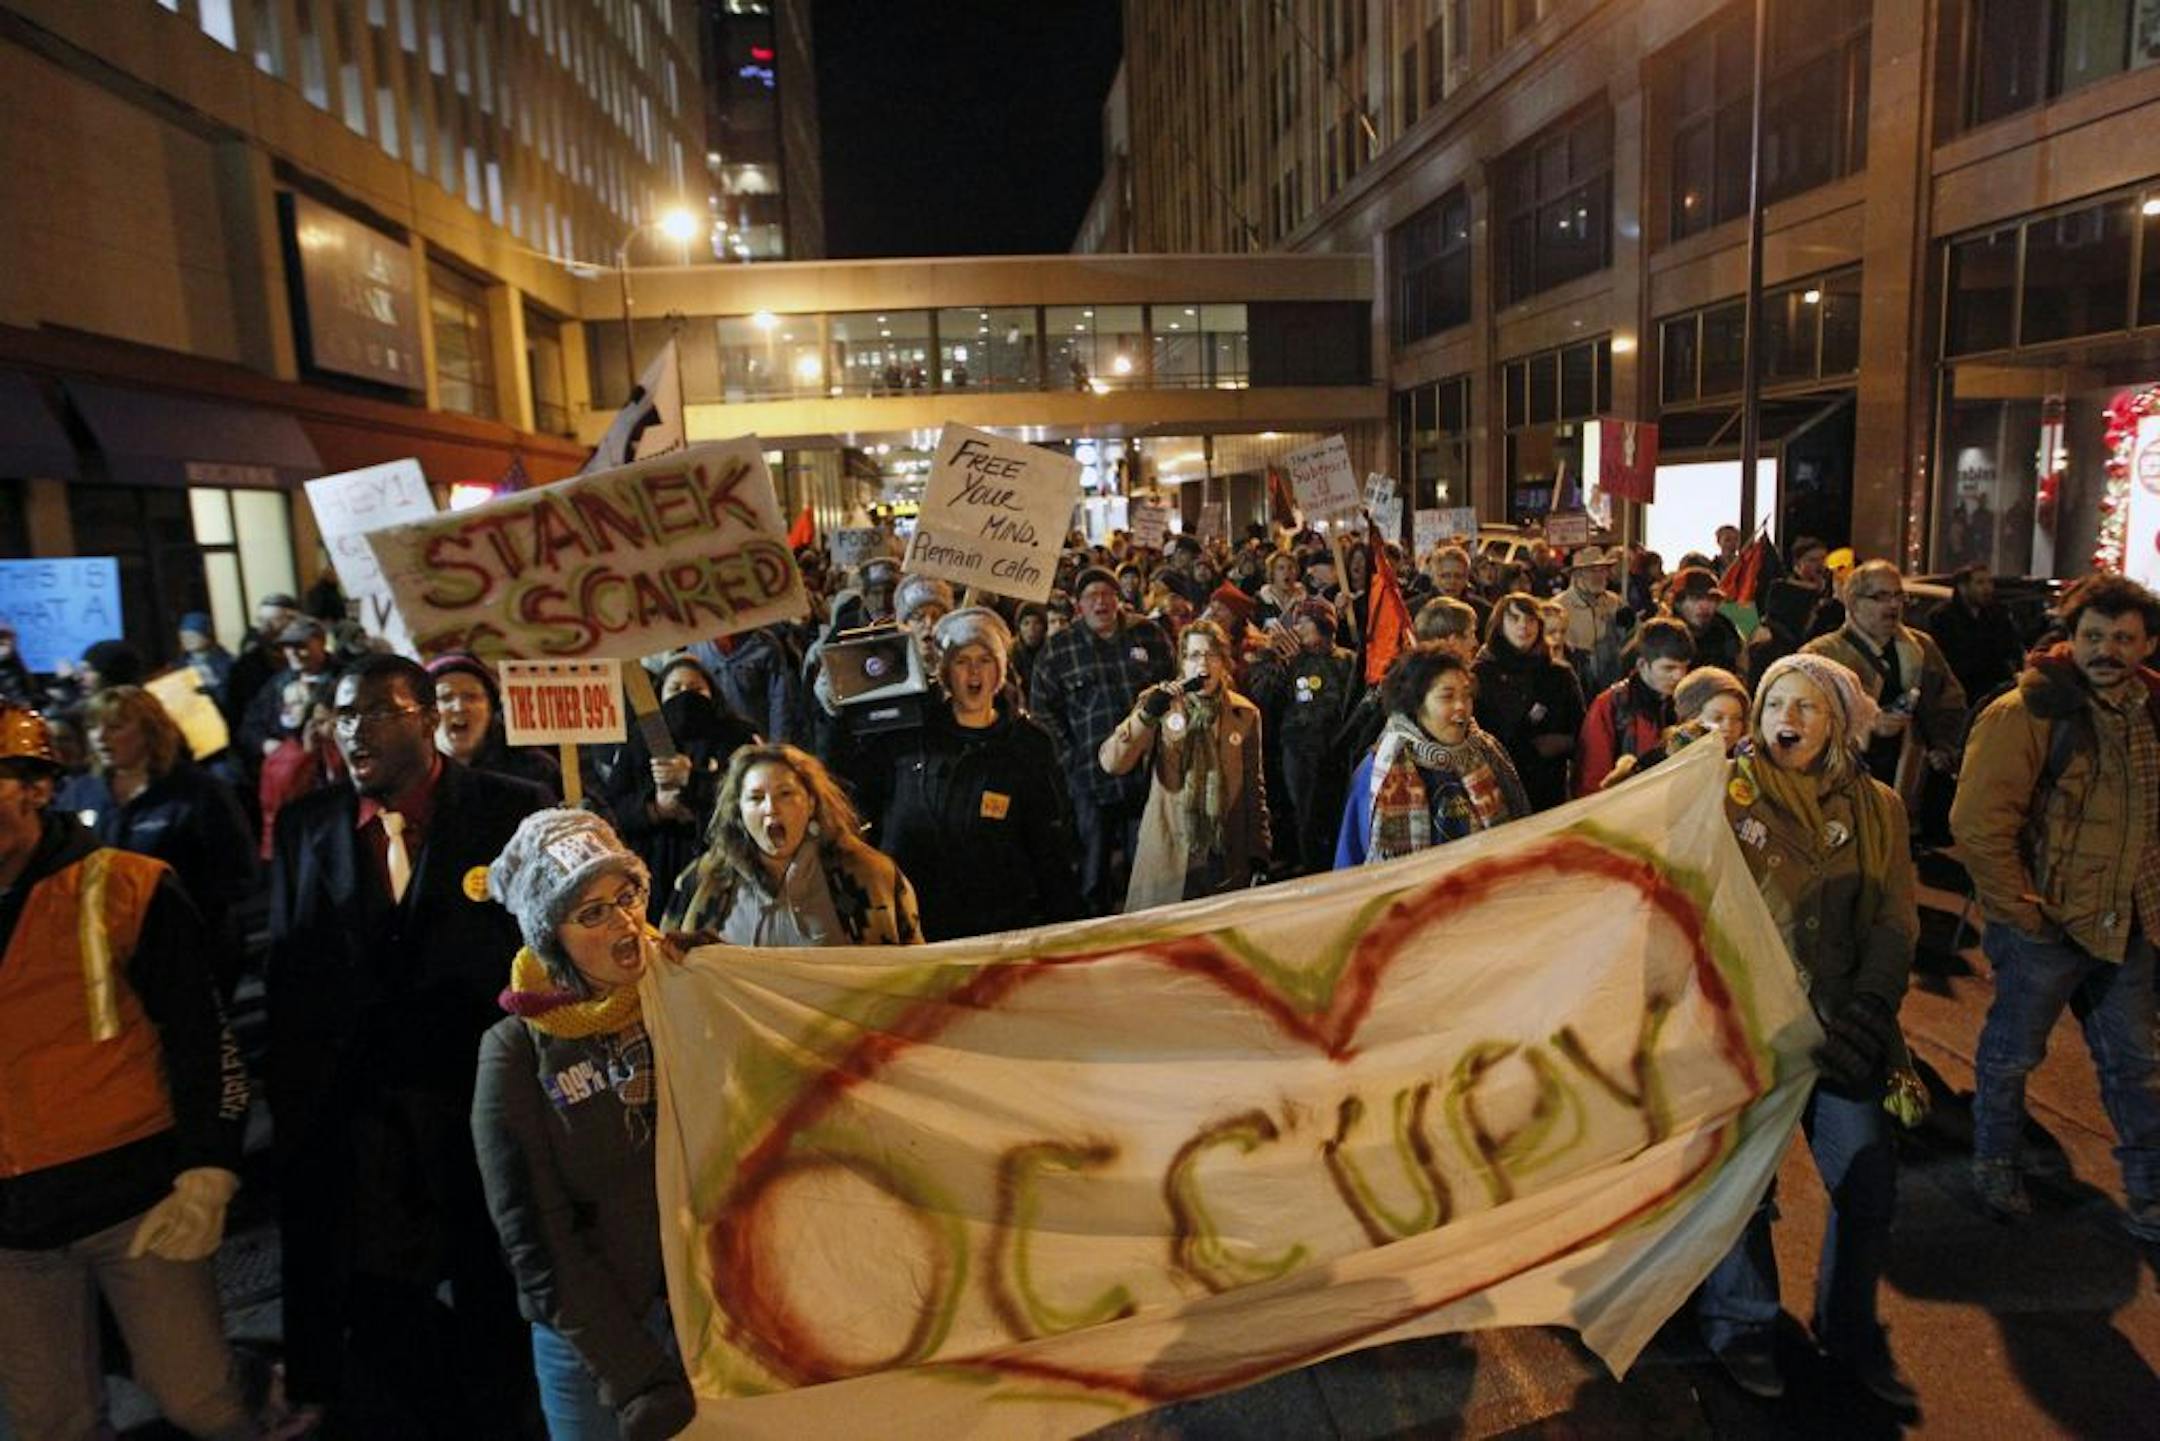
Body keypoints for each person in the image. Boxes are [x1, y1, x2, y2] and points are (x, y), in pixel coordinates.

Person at [268, 654, 551, 1436]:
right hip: (360, 1122)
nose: (353, 731)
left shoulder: (511, 810)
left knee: (494, 1299)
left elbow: (546, 953)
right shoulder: (307, 827)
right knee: (385, 1307)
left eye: (374, 712)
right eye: (342, 715)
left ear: (426, 718)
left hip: (477, 1106)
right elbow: (290, 978)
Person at [0, 704, 257, 1441]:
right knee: (50, 1422)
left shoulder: (125, 887)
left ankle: (263, 1387)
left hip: (136, 1204)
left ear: (37, 787)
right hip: (14, 1231)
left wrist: (210, 1167)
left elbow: (203, 1038)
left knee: (200, 1401)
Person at [1700, 653, 1916, 1407]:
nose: (1785, 720)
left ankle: (1850, 1330)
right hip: (1745, 1030)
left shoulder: (1879, 806)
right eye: (1773, 704)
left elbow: (1895, 918)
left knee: (1867, 1180)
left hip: (1841, 1028)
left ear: (1838, 723)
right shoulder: (1720, 790)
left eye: (1805, 706)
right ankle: (1741, 1326)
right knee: (1742, 1190)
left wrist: (1871, 1006)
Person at [473, 810, 695, 1441]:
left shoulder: (681, 998)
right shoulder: (515, 1053)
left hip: (707, 1322)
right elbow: (537, 1240)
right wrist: (635, 1376)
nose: (624, 922)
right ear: (553, 938)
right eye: (592, 913)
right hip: (596, 1355)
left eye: (626, 897)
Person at [1952, 572, 2160, 1240]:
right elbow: (1979, 825)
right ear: (2070, 637)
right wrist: (2024, 914)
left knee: (2137, 1065)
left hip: (2128, 923)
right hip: (2047, 924)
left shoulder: (2152, 709)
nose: (2107, 650)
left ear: (2147, 644)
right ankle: (1996, 1164)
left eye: (2123, 638)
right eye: (2093, 635)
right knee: (2012, 1054)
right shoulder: (2029, 711)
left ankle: (2150, 1196)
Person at [844, 608, 1083, 940]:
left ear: (999, 672)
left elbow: (1048, 845)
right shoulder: (911, 737)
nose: (974, 671)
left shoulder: (1027, 745)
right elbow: (855, 787)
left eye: (984, 660)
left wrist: (1066, 928)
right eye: (961, 661)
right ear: (946, 673)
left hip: (995, 926)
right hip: (916, 923)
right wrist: (832, 715)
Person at [58, 686, 257, 994]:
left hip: (187, 952)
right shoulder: (78, 795)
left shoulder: (199, 792)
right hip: (106, 956)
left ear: (150, 731)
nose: (100, 737)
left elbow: (238, 872)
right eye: (94, 726)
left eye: (115, 727)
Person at [665, 743, 921, 946]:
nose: (771, 808)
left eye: (785, 794)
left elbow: (913, 971)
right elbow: (666, 960)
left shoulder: (872, 875)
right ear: (738, 810)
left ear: (811, 802)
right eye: (756, 798)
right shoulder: (702, 880)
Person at [1029, 565, 1175, 913]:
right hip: (1090, 781)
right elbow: (1043, 711)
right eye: (1091, 596)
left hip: (1145, 775)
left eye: (1107, 594)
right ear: (1079, 605)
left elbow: (1173, 686)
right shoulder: (1058, 650)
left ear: (1118, 598)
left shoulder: (1149, 635)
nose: (1100, 602)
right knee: (1093, 874)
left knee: (1148, 867)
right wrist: (1071, 760)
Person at [1100, 619, 1269, 910]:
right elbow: (1113, 762)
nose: (1203, 663)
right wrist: (1146, 717)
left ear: (1223, 662)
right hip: (1170, 854)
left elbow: (1254, 787)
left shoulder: (1245, 714)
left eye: (1211, 654)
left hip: (1224, 856)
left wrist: (1259, 851)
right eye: (1194, 655)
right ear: (1183, 663)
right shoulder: (1161, 704)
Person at [1336, 647, 1528, 866]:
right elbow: (1351, 863)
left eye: (1466, 695)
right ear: (1416, 704)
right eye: (1447, 697)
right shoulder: (1378, 772)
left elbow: (1522, 827)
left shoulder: (1488, 753)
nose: (1461, 706)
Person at [603, 655, 759, 923]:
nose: (685, 695)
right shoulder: (641, 737)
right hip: (654, 863)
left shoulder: (737, 735)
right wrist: (655, 809)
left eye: (695, 689)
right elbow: (613, 807)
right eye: (675, 689)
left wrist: (693, 780)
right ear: (660, 696)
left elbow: (749, 794)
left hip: (719, 858)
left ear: (712, 693)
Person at [1803, 561, 1966, 803]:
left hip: (1912, 783)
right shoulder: (1822, 654)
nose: (1893, 605)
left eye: (1898, 596)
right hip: (1845, 787)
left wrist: (1944, 747)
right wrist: (1868, 725)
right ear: (1853, 602)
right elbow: (1807, 717)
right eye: (1881, 597)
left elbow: (1950, 701)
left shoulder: (1922, 647)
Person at [1246, 597, 1357, 875]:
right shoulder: (1289, 661)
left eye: (1305, 622)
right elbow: (1263, 695)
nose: (1298, 629)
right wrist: (1271, 657)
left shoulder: (1348, 660)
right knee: (1306, 816)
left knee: (1338, 812)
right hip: (1300, 752)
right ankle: (1312, 867)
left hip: (1339, 751)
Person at [1473, 594, 1585, 813]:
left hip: (1549, 788)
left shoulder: (1559, 674)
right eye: (1514, 618)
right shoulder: (1482, 674)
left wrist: (1564, 742)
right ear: (1500, 624)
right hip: (1499, 789)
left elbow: (1581, 728)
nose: (1523, 626)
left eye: (1530, 620)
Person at [1575, 617, 1695, 796]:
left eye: (1684, 667)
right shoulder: (1611, 705)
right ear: (1642, 664)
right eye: (1668, 668)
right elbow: (1592, 780)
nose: (1679, 676)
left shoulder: (1689, 701)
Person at [427, 652, 563, 795]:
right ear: (427, 713)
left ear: (490, 709)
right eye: (445, 698)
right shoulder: (412, 772)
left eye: (471, 697)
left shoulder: (536, 768)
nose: (459, 707)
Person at [1597, 665, 1750, 788]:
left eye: (1738, 719)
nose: (1729, 726)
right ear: (1690, 717)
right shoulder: (1662, 766)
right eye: (1717, 718)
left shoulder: (1744, 769)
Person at [238, 618, 340, 761]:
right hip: (291, 765)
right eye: (287, 647)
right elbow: (250, 726)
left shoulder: (343, 678)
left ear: (321, 642)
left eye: (300, 645)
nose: (293, 653)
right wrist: (265, 744)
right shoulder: (278, 684)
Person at [1924, 563, 2026, 705]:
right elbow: (1939, 659)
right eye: (1979, 583)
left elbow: (2011, 647)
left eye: (1989, 582)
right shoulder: (1943, 617)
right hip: (1960, 693)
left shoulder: (1996, 615)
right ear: (1963, 587)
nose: (1987, 588)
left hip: (1993, 692)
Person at [1556, 545, 1629, 695]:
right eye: (1592, 571)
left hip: (1611, 681)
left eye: (1603, 570)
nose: (1599, 576)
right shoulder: (1560, 607)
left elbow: (1629, 636)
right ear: (1577, 575)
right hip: (1577, 682)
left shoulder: (1615, 602)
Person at [1668, 566, 1747, 678]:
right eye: (1695, 598)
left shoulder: (1725, 630)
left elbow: (1741, 670)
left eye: (1711, 599)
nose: (1705, 606)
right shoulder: (1663, 635)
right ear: (1678, 603)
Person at [174, 611, 234, 708]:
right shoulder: (178, 665)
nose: (187, 640)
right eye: (183, 637)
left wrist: (213, 692)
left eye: (192, 636)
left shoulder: (228, 663)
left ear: (207, 637)